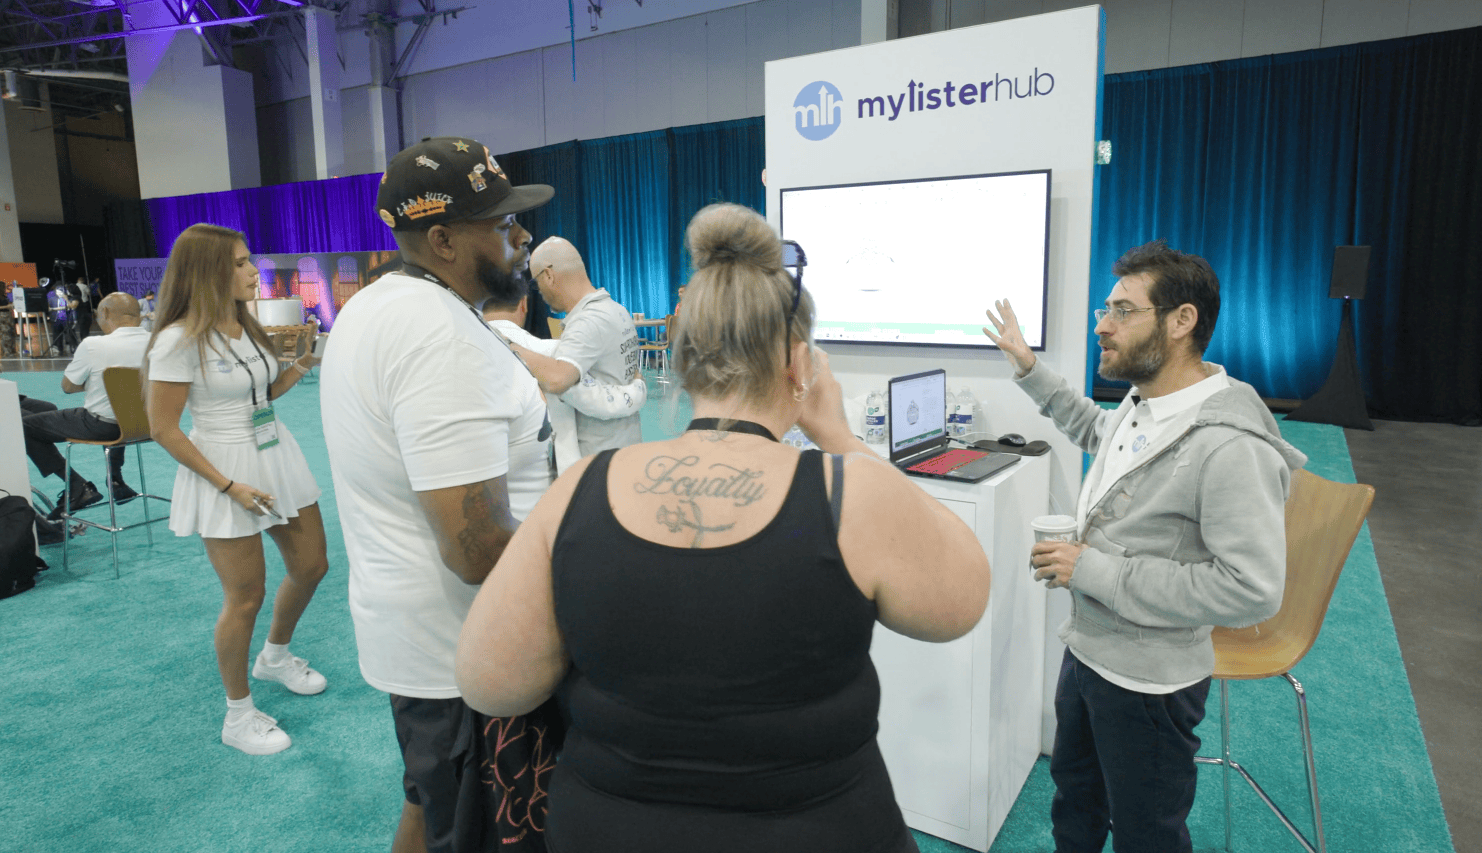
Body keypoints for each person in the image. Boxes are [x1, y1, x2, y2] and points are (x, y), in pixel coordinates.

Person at [455, 202, 993, 853]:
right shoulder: (854, 492)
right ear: (800, 365)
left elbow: (489, 680)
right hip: (824, 829)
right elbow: (963, 600)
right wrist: (842, 437)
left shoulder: (575, 494)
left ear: (682, 365)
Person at [982, 240, 1308, 853]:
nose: (1102, 325)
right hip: (1089, 652)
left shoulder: (1228, 446)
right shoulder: (1147, 402)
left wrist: (1092, 568)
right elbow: (1096, 432)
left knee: (1147, 834)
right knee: (1075, 802)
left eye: (1123, 311)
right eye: (1106, 309)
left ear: (1182, 321)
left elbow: (1252, 590)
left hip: (1150, 684)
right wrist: (1030, 369)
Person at [321, 136, 560, 853]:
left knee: (430, 811)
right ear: (444, 238)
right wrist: (587, 545)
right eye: (503, 224)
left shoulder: (382, 306)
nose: (522, 238)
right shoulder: (438, 335)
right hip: (464, 655)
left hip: (424, 641)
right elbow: (476, 546)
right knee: (474, 829)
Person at [143, 223, 330, 756]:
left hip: (276, 454)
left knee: (312, 565)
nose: (254, 272)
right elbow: (164, 428)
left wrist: (302, 362)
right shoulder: (178, 340)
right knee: (244, 597)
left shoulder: (244, 325)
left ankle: (274, 657)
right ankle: (238, 715)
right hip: (222, 468)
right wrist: (229, 486)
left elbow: (259, 394)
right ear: (208, 272)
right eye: (243, 263)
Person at [507, 236, 643, 455]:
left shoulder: (588, 321)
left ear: (549, 275)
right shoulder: (616, 309)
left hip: (598, 455)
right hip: (623, 442)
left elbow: (559, 379)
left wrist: (509, 346)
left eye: (536, 283)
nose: (539, 292)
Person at [484, 294, 646, 474]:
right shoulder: (553, 353)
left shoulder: (463, 345)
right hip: (542, 478)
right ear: (524, 304)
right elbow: (602, 402)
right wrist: (638, 388)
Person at [23, 293, 151, 519]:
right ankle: (115, 478)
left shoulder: (94, 344)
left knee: (24, 427)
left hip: (103, 426)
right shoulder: (158, 342)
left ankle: (76, 485)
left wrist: (100, 383)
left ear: (106, 313)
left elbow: (68, 387)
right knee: (120, 410)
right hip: (148, 425)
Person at [48, 280, 78, 355]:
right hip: (56, 319)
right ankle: (58, 348)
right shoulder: (52, 298)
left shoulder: (69, 298)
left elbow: (71, 307)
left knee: (70, 333)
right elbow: (48, 307)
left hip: (67, 318)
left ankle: (73, 347)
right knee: (57, 334)